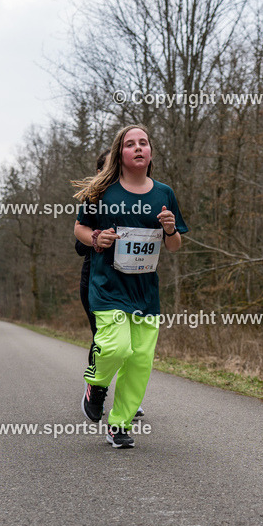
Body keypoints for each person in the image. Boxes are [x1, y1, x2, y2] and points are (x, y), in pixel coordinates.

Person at [73, 124, 188, 448]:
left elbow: (174, 246)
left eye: (144, 143)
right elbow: (80, 228)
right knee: (116, 347)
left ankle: (118, 425)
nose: (138, 147)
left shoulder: (164, 193)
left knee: (139, 361)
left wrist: (170, 230)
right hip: (107, 286)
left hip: (145, 292)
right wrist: (96, 238)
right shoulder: (102, 191)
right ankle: (96, 383)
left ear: (150, 152)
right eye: (130, 144)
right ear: (119, 153)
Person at [75, 152, 145, 420]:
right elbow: (79, 244)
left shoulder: (137, 197)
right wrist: (98, 238)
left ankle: (127, 398)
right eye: (109, 167)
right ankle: (96, 389)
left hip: (133, 281)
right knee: (105, 339)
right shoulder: (95, 199)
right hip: (98, 279)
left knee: (132, 343)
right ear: (100, 172)